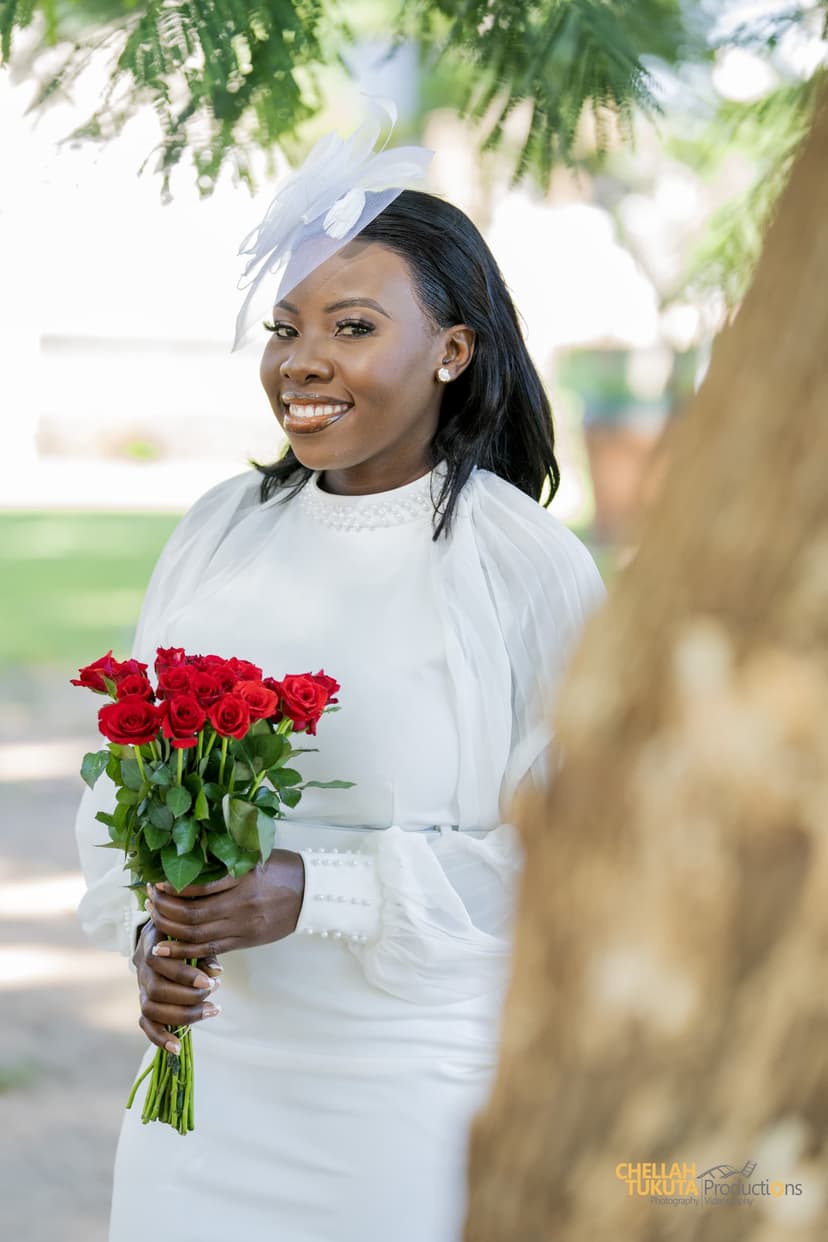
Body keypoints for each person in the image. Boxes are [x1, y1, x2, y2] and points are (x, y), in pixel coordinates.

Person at [74, 111, 606, 1242]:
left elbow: (581, 854)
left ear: (452, 350)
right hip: (205, 1094)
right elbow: (117, 786)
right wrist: (147, 940)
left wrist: (317, 890)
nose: (302, 361)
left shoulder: (523, 567)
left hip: (406, 1097)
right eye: (285, 327)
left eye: (353, 326)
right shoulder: (220, 531)